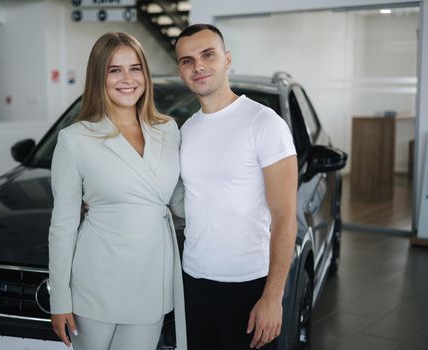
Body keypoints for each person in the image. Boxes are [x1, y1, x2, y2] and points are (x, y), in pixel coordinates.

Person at [48, 32, 187, 350]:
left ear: (146, 75)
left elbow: (179, 201)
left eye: (135, 68)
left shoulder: (168, 130)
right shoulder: (75, 138)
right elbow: (63, 226)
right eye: (114, 70)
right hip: (97, 281)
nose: (127, 79)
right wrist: (60, 298)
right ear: (99, 77)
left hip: (152, 278)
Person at [174, 24, 298, 350]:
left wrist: (273, 297)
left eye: (207, 55)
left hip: (249, 285)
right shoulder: (187, 130)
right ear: (180, 70)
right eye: (187, 60)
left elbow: (286, 217)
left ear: (227, 59)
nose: (198, 66)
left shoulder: (264, 123)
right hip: (193, 281)